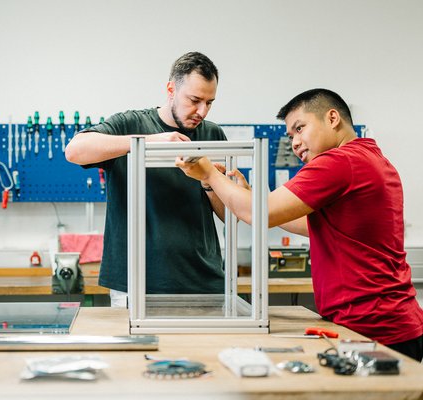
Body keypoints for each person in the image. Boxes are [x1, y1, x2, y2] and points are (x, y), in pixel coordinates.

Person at [176, 88, 423, 361]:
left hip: (374, 327)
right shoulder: (369, 157)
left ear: (332, 118)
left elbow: (260, 214)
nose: (294, 143)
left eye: (300, 128)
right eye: (291, 136)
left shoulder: (339, 162)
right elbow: (306, 222)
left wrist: (209, 174)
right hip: (390, 323)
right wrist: (249, 198)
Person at [65, 52, 227, 306]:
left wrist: (208, 180)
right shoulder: (130, 123)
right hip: (136, 284)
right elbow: (74, 150)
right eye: (195, 100)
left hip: (203, 281)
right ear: (171, 89)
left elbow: (228, 214)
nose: (202, 111)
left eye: (209, 102)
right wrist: (149, 142)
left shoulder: (212, 134)